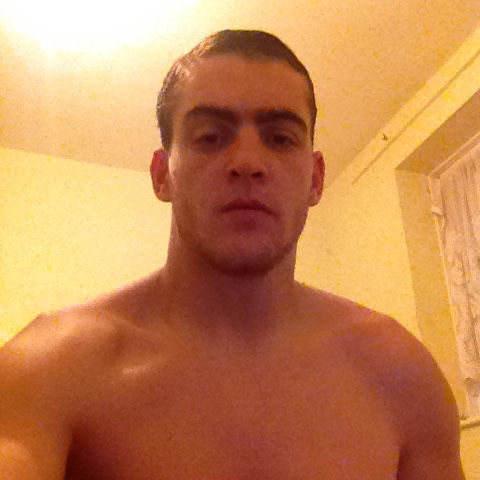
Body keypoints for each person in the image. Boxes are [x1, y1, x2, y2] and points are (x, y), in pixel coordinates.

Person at [0, 29, 465, 479]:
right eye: (210, 137)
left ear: (316, 179)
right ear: (162, 175)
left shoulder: (400, 375)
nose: (247, 162)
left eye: (280, 138)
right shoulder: (54, 367)